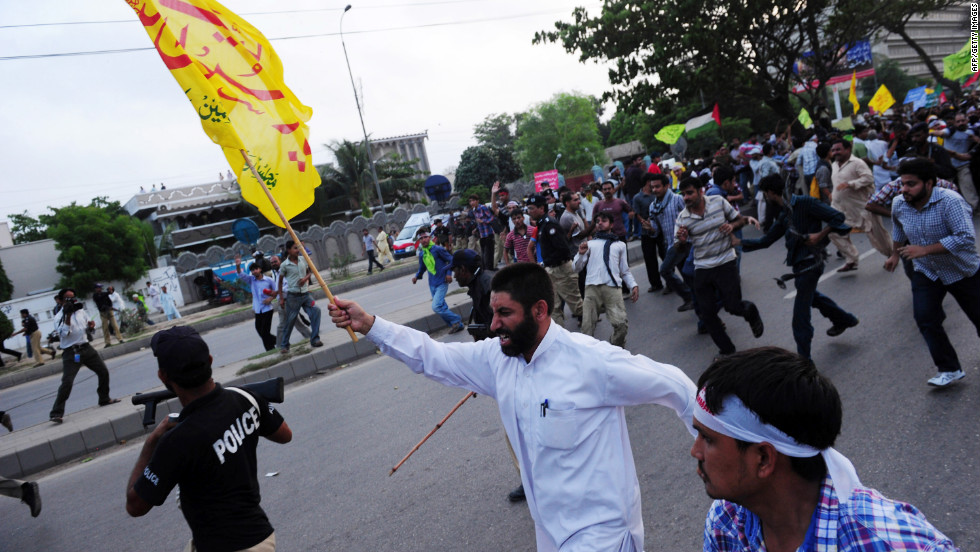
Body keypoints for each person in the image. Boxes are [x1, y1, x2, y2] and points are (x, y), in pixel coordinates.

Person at [328, 262, 698, 551]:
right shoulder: (497, 359)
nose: (493, 324)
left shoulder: (591, 362)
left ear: (539, 310)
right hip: (550, 533)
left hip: (601, 535)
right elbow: (433, 357)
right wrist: (371, 325)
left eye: (504, 314)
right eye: (493, 312)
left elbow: (676, 386)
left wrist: (712, 451)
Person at [692, 347, 958, 551]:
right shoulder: (726, 521)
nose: (696, 451)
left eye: (707, 438)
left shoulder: (888, 542)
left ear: (763, 459)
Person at [125, 326, 292, 551]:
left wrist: (151, 442)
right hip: (258, 538)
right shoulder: (245, 398)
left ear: (163, 376)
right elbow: (284, 435)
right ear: (210, 360)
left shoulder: (176, 441)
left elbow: (135, 505)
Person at [884, 158, 980, 387]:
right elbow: (898, 227)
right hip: (927, 271)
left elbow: (965, 238)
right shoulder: (899, 203)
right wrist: (895, 254)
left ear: (929, 184)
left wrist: (925, 249)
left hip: (961, 270)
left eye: (911, 184)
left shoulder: (950, 202)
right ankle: (949, 369)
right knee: (926, 318)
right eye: (902, 184)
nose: (904, 189)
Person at [741, 175, 859, 359]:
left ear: (771, 192)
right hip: (799, 265)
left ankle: (804, 362)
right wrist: (737, 243)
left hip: (812, 263)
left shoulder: (805, 202)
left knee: (800, 317)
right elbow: (766, 241)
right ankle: (844, 319)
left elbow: (837, 217)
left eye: (765, 194)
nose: (765, 197)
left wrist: (820, 235)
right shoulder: (784, 214)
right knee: (814, 297)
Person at [449, 248, 526, 501]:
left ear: (463, 270)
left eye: (455, 270)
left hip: (513, 362)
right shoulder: (479, 284)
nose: (453, 275)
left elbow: (504, 326)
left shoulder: (489, 285)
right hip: (503, 361)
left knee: (515, 427)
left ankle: (530, 480)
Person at [674, 177, 764, 357]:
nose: (686, 197)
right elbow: (679, 248)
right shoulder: (683, 218)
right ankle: (727, 350)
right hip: (702, 267)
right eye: (683, 194)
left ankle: (750, 311)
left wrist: (731, 226)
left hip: (725, 262)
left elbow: (739, 220)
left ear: (700, 191)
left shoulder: (718, 202)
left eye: (690, 192)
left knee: (733, 306)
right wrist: (682, 242)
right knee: (706, 314)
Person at [49, 288, 120, 424]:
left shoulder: (81, 312)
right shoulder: (59, 317)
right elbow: (64, 334)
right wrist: (68, 316)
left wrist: (91, 326)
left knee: (103, 372)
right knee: (67, 382)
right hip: (72, 352)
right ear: (61, 300)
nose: (72, 301)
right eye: (68, 299)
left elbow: (87, 329)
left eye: (73, 298)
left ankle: (104, 398)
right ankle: (56, 413)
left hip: (86, 348)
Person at [573, 212, 639, 347]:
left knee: (621, 325)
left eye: (604, 220)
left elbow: (624, 270)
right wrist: (580, 254)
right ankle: (588, 358)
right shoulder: (590, 244)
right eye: (597, 221)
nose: (600, 223)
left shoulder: (619, 245)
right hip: (592, 288)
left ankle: (614, 350)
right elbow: (576, 268)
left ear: (612, 224)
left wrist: (633, 285)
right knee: (587, 329)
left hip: (612, 288)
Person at [827, 139, 892, 273]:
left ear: (847, 149)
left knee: (878, 236)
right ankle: (851, 260)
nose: (835, 152)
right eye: (833, 150)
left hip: (862, 208)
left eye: (838, 149)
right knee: (833, 232)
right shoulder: (833, 165)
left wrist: (851, 184)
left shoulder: (857, 163)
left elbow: (868, 178)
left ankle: (892, 255)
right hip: (840, 208)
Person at [525, 194, 583, 326]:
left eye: (531, 208)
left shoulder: (550, 224)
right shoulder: (541, 225)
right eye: (528, 209)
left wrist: (544, 263)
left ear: (541, 208)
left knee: (578, 307)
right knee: (554, 307)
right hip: (551, 270)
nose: (529, 212)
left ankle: (589, 334)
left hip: (562, 270)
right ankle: (558, 340)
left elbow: (563, 250)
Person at [647, 173, 695, 310]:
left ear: (667, 185)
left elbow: (690, 217)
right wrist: (650, 229)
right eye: (653, 187)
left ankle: (690, 297)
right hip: (672, 244)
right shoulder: (653, 206)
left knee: (665, 270)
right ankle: (696, 300)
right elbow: (656, 231)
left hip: (686, 242)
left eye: (657, 186)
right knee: (687, 275)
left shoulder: (678, 199)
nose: (655, 190)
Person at [412, 230, 464, 333]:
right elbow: (422, 268)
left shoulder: (438, 249)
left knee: (436, 307)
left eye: (425, 237)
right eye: (421, 238)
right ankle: (457, 325)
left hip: (442, 281)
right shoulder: (422, 254)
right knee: (441, 306)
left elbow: (451, 260)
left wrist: (449, 274)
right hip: (432, 284)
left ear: (430, 238)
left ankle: (456, 319)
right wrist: (417, 277)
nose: (423, 240)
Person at [277, 240, 324, 353]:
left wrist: (305, 279)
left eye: (298, 248)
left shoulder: (303, 260)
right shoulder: (284, 265)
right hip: (293, 297)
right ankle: (284, 345)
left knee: (316, 311)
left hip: (305, 295)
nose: (297, 250)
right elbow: (280, 282)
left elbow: (310, 271)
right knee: (290, 320)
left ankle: (315, 339)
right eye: (295, 248)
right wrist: (282, 299)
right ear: (288, 250)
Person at [235, 254, 278, 351]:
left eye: (256, 269)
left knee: (265, 332)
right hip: (258, 310)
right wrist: (238, 265)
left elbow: (276, 292)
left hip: (267, 309)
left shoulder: (269, 280)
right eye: (252, 270)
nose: (255, 271)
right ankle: (278, 341)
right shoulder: (251, 280)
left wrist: (270, 299)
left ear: (260, 269)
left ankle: (270, 349)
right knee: (260, 331)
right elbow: (240, 274)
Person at [269, 255, 310, 343]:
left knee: (295, 323)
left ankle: (311, 337)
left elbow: (291, 286)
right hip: (282, 302)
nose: (273, 264)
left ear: (280, 261)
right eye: (272, 263)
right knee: (283, 325)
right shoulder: (275, 273)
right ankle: (280, 345)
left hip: (289, 301)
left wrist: (277, 292)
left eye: (275, 261)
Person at [469, 193, 497, 271]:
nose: (472, 203)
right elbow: (479, 223)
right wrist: (476, 229)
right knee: (483, 255)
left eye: (473, 201)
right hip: (482, 235)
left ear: (477, 201)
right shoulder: (474, 210)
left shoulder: (483, 208)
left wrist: (483, 221)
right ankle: (486, 271)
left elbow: (492, 218)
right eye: (470, 201)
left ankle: (490, 271)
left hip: (489, 234)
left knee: (488, 256)